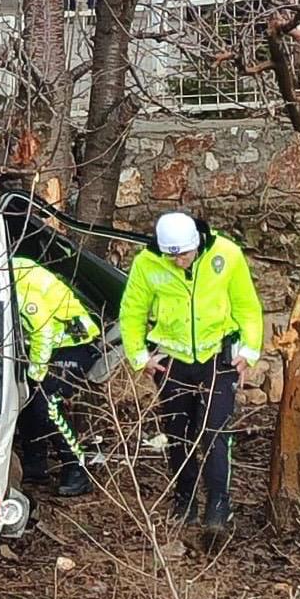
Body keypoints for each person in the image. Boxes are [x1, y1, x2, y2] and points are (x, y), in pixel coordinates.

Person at [119, 212, 263, 536]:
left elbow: (247, 307)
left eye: (185, 254)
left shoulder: (226, 254)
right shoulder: (147, 263)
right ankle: (184, 499)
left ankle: (218, 504)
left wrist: (250, 349)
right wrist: (140, 357)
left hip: (218, 358)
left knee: (214, 432)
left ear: (197, 243)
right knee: (178, 433)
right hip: (172, 361)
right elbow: (132, 311)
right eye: (173, 256)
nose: (180, 262)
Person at [13, 256, 100, 497]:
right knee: (29, 402)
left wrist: (37, 373)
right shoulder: (7, 271)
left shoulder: (13, 283)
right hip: (50, 344)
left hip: (72, 343)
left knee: (47, 405)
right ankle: (34, 465)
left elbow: (43, 330)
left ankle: (77, 469)